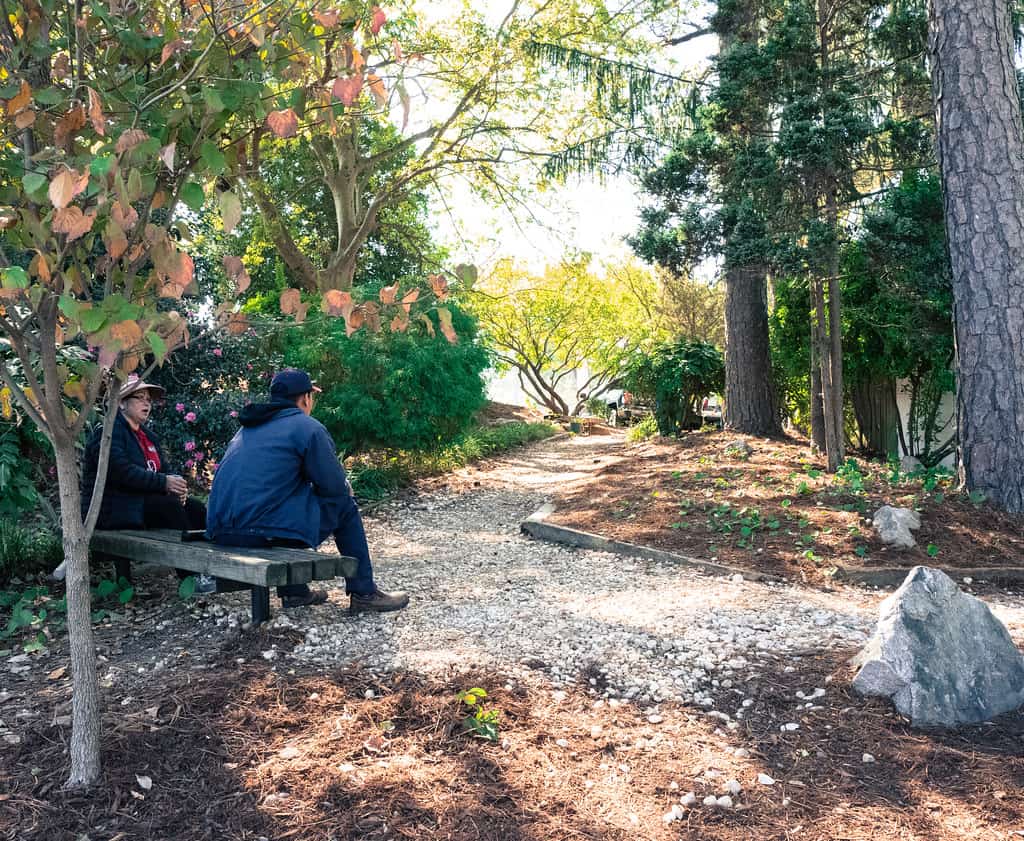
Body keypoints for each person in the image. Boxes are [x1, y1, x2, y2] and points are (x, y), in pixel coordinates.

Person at [205, 368, 408, 613]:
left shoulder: (247, 428)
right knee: (344, 506)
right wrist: (343, 486)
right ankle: (364, 592)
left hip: (222, 532)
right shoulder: (307, 427)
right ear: (305, 399)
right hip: (259, 533)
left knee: (288, 503)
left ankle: (295, 592)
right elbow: (334, 488)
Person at [77, 374, 215, 592]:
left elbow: (164, 470)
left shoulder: (148, 436)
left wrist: (176, 485)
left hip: (141, 505)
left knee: (195, 508)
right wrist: (164, 484)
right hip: (111, 510)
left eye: (148, 400)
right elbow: (122, 473)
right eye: (139, 398)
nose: (146, 403)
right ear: (122, 403)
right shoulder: (106, 434)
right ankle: (192, 578)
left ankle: (213, 568)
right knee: (170, 508)